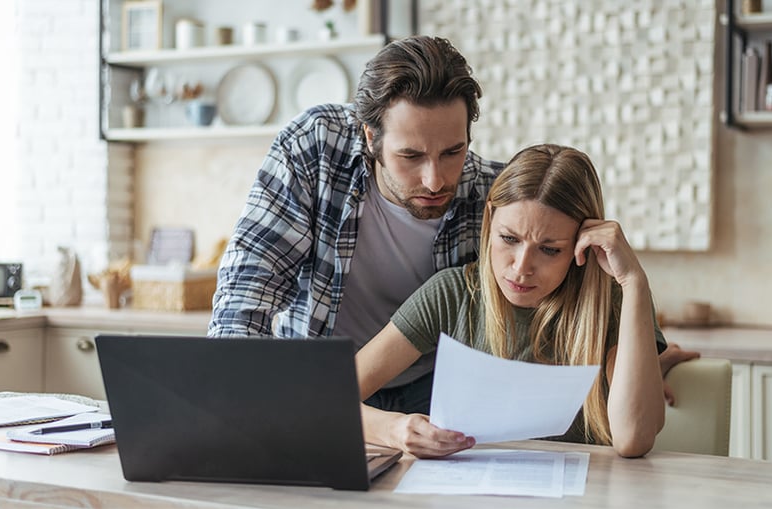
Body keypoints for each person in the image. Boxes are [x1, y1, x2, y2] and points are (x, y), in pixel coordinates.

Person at [208, 34, 694, 414]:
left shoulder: (494, 197)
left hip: (436, 390)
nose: (436, 179)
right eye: (411, 156)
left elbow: (568, 287)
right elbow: (249, 287)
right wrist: (228, 396)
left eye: (452, 151)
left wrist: (635, 363)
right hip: (325, 378)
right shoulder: (315, 148)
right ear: (370, 137)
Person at [356, 144, 665, 459]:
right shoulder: (452, 294)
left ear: (581, 245)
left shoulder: (612, 302)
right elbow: (333, 398)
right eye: (509, 239)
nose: (521, 268)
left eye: (549, 249)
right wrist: (394, 430)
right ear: (490, 218)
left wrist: (634, 281)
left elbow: (633, 439)